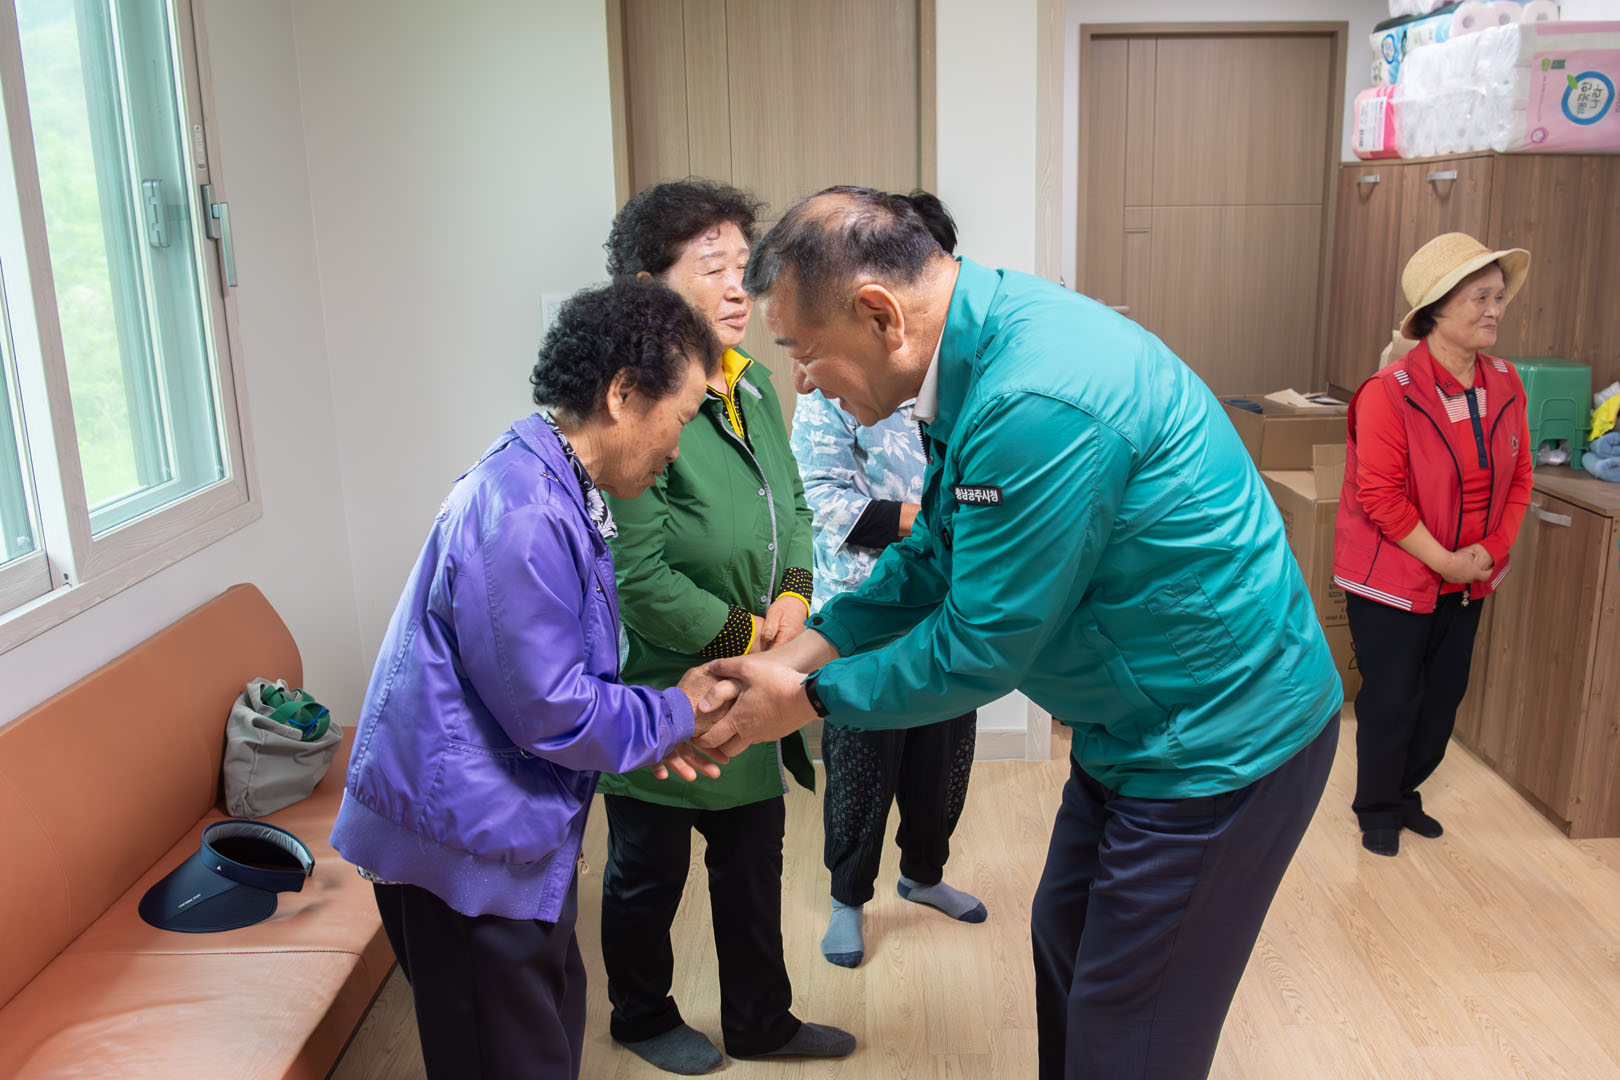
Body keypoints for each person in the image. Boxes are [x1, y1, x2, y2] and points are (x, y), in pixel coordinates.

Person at [691, 186, 1344, 1079]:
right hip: (1136, 723)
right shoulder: (974, 352)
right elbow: (934, 553)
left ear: (880, 315)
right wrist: (801, 655)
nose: (803, 381)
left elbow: (980, 647)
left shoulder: (1035, 398)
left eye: (805, 352)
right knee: (1066, 943)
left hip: (1219, 738)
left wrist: (806, 700)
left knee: (1129, 1025)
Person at [329, 281, 732, 1080]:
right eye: (681, 418)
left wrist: (657, 729)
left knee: (545, 1036)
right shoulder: (524, 510)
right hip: (464, 847)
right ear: (623, 394)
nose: (677, 449)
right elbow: (551, 708)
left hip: (495, 832)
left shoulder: (552, 481)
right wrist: (675, 714)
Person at [594, 179, 854, 1075]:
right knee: (646, 875)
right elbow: (639, 578)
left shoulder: (752, 385)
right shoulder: (633, 404)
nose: (739, 287)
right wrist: (755, 642)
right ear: (650, 287)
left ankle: (760, 1021)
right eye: (712, 268)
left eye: (745, 265)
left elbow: (796, 507)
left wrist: (796, 598)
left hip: (754, 678)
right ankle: (640, 1015)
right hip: (665, 687)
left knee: (752, 864)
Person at [790, 196, 984, 971]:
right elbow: (825, 501)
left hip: (945, 603)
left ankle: (923, 874)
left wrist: (951, 530)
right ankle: (848, 897)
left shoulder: (964, 379)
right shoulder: (834, 384)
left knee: (944, 760)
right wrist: (934, 523)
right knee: (863, 768)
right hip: (863, 604)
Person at [1332, 232, 1533, 857]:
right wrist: (1447, 560)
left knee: (1443, 699)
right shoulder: (1388, 392)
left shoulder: (1506, 382)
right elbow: (1381, 497)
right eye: (1481, 297)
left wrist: (1490, 551)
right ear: (1437, 309)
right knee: (1393, 697)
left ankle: (1403, 791)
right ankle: (1377, 807)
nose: (1496, 310)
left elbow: (1520, 476)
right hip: (1394, 574)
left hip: (1469, 576)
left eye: (1499, 296)